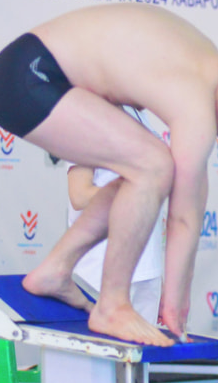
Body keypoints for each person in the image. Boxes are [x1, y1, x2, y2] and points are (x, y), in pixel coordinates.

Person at [0, 3, 218, 346]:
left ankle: (55, 270)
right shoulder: (195, 98)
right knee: (153, 166)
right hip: (28, 76)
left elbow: (191, 209)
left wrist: (174, 309)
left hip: (27, 72)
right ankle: (113, 306)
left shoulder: (205, 67)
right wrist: (173, 309)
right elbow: (181, 220)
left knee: (144, 169)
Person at [65, 106, 164, 324]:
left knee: (139, 357)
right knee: (100, 356)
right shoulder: (87, 114)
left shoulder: (140, 114)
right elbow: (79, 195)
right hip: (100, 272)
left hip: (147, 270)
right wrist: (133, 191)